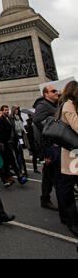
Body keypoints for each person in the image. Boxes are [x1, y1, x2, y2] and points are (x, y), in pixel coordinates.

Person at [55, 80, 78, 237]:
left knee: (66, 186)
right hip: (72, 154)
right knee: (67, 187)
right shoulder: (68, 105)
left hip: (72, 152)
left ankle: (67, 217)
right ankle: (70, 220)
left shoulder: (68, 104)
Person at [33, 86, 60, 210]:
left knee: (49, 175)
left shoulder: (54, 105)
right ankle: (66, 208)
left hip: (56, 145)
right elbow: (38, 124)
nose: (56, 92)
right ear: (45, 94)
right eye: (53, 91)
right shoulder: (43, 106)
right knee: (57, 177)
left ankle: (45, 198)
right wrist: (45, 152)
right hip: (50, 146)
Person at [0, 105, 27, 185]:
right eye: (5, 110)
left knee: (11, 161)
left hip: (11, 143)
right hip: (5, 144)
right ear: (2, 111)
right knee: (9, 162)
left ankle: (16, 177)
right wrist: (3, 143)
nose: (7, 111)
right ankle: (14, 178)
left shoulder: (9, 119)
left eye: (7, 110)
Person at [9, 106, 28, 178]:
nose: (17, 111)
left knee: (21, 154)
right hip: (15, 138)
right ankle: (21, 169)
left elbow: (22, 128)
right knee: (18, 155)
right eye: (16, 110)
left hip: (21, 137)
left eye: (17, 110)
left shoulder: (19, 117)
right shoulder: (11, 118)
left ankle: (23, 169)